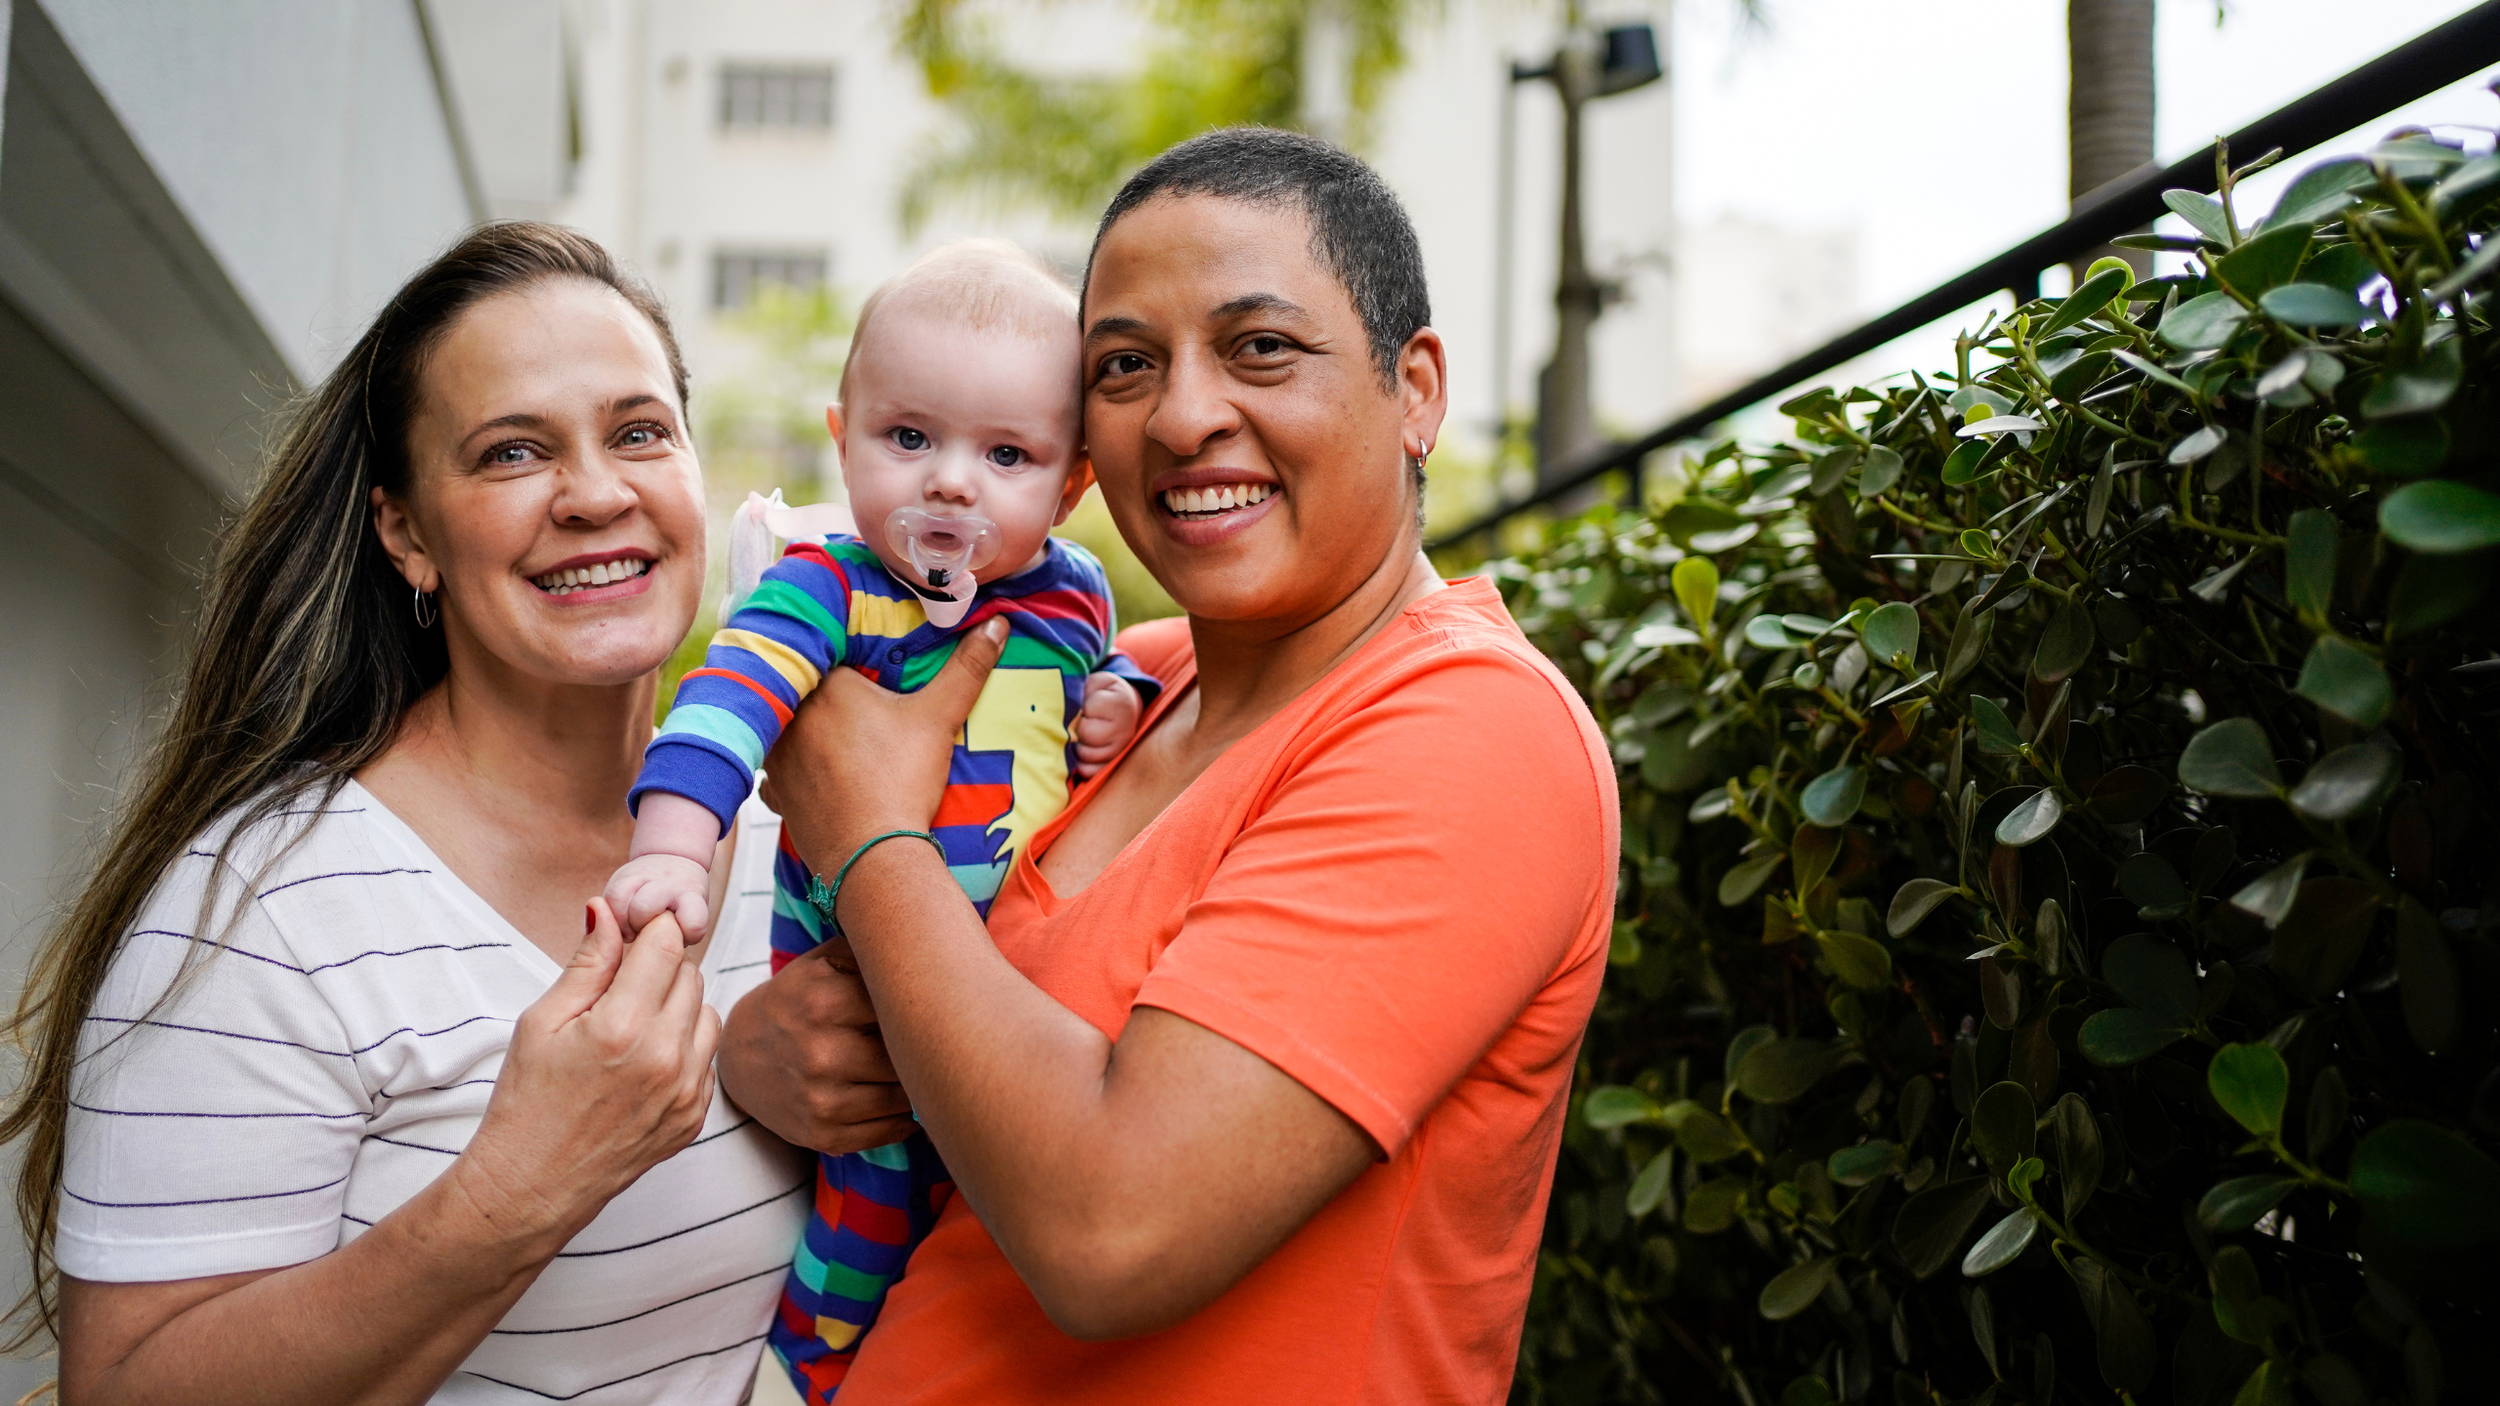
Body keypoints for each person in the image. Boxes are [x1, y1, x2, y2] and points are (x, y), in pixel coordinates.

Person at [716, 128, 1619, 1403]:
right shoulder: (1105, 682)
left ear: (1413, 388)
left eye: (1260, 347)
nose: (1186, 415)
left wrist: (866, 834)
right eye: (1128, 365)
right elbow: (927, 1017)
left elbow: (1109, 1231)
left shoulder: (1471, 729)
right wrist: (762, 1055)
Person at [4, 222, 809, 1404]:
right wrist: (518, 1184)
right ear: (408, 533)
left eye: (639, 431)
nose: (595, 493)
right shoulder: (268, 904)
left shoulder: (801, 835)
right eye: (510, 453)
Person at [603, 239, 1156, 1401]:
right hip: (860, 998)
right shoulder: (825, 589)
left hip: (1016, 1010)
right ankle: (800, 1377)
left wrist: (1116, 703)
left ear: (1068, 488)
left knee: (992, 1249)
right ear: (841, 433)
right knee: (857, 1234)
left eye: (1006, 454)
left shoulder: (1073, 597)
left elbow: (1097, 696)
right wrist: (670, 847)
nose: (952, 482)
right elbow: (723, 705)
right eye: (910, 439)